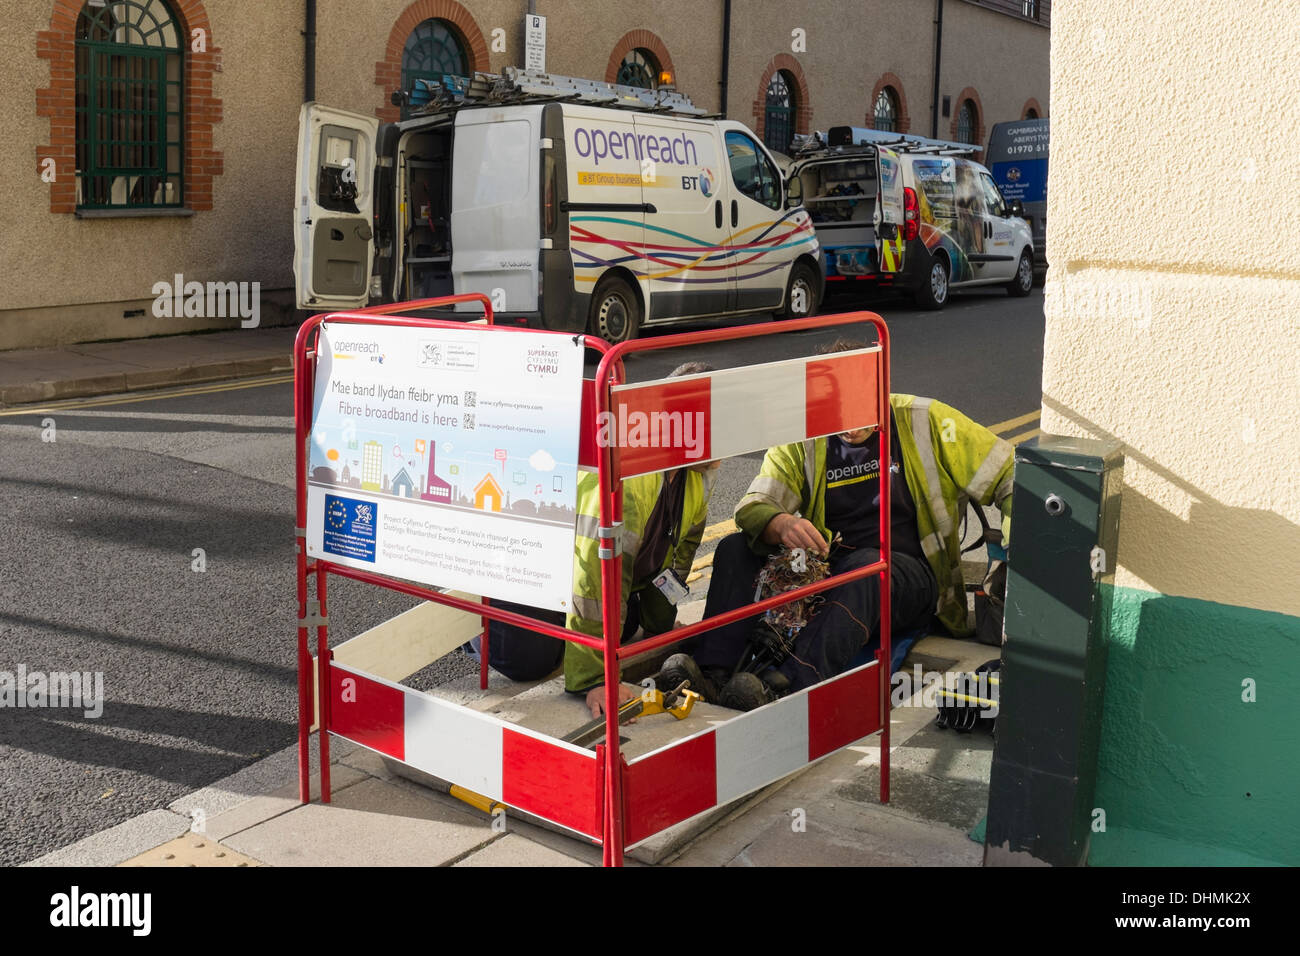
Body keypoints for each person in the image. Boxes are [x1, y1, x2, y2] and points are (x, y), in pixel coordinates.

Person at [662, 339, 1014, 711]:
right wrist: (778, 523)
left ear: (880, 389)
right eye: (836, 411)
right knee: (735, 548)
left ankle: (789, 687)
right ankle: (713, 674)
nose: (848, 424)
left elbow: (1010, 474)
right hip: (830, 572)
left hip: (909, 579)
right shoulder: (804, 436)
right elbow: (753, 505)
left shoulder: (925, 419)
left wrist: (1018, 547)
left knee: (866, 568)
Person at [472, 363, 718, 719]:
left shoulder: (694, 478)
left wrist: (661, 628)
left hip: (576, 583)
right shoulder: (635, 478)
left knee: (625, 624)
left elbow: (675, 564)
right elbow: (594, 574)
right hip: (540, 573)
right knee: (529, 661)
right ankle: (472, 628)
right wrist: (593, 679)